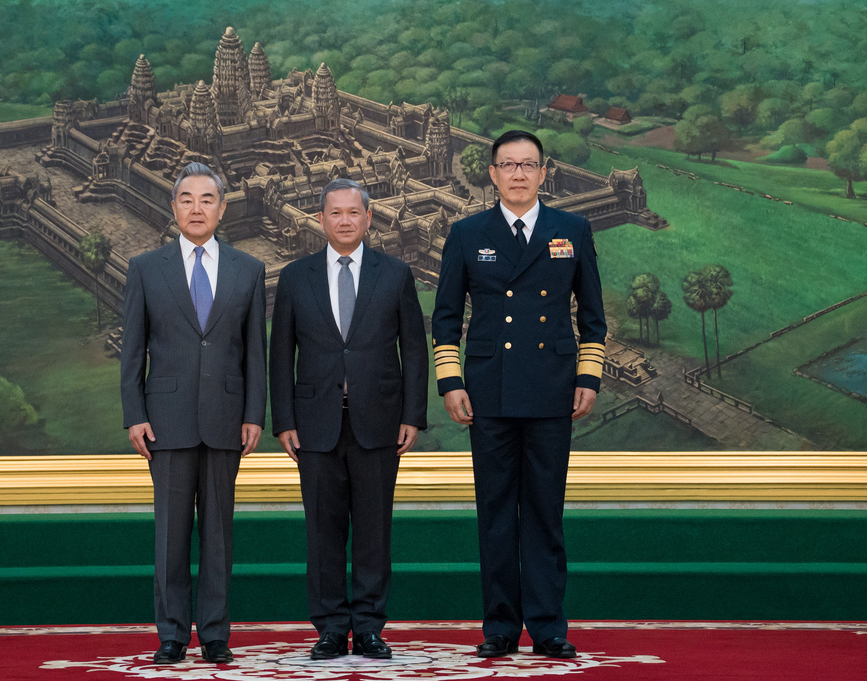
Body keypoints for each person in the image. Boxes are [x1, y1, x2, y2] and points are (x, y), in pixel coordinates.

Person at [432, 130, 606, 660]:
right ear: (492, 173)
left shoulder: (572, 228)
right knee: (495, 512)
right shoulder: (466, 233)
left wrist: (588, 376)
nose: (518, 174)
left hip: (553, 390)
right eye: (508, 164)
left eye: (529, 164)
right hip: (488, 393)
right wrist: (451, 381)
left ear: (544, 172)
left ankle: (549, 626)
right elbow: (444, 319)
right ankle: (501, 627)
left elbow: (592, 316)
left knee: (545, 511)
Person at [270, 178, 428, 660]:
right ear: (321, 219)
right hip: (314, 424)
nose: (344, 221)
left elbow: (415, 351)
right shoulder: (295, 277)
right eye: (334, 213)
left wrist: (413, 415)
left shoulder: (395, 274)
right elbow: (280, 355)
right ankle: (331, 629)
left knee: (374, 529)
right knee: (323, 530)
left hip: (379, 421)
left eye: (353, 213)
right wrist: (283, 420)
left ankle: (370, 626)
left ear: (368, 218)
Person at [120, 162, 267, 665]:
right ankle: (171, 633)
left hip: (227, 418)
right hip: (166, 418)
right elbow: (132, 351)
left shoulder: (249, 269)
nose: (197, 208)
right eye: (188, 199)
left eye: (208, 199)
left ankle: (217, 633)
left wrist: (254, 414)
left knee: (219, 534)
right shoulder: (145, 267)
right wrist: (134, 413)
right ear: (174, 207)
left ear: (222, 208)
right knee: (171, 532)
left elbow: (255, 353)